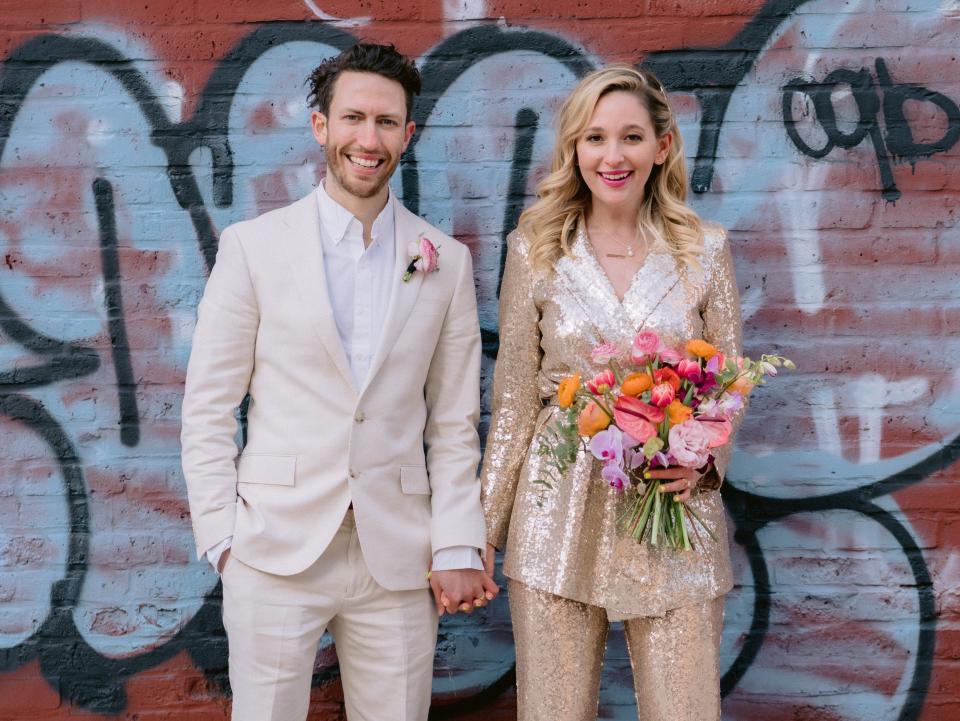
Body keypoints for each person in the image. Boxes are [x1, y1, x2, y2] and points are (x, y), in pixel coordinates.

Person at [181, 43, 497, 721]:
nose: (369, 138)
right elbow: (208, 404)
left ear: (408, 135)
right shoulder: (253, 248)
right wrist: (222, 539)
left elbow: (452, 422)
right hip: (272, 551)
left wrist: (456, 541)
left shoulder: (444, 261)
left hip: (399, 556)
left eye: (387, 122)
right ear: (321, 126)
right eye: (353, 118)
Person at [480, 65, 743, 720]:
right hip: (556, 509)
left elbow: (730, 382)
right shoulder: (535, 248)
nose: (613, 155)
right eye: (595, 138)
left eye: (630, 137)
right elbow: (513, 400)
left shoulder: (704, 251)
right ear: (574, 149)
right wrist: (482, 531)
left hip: (670, 511)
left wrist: (704, 463)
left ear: (662, 147)